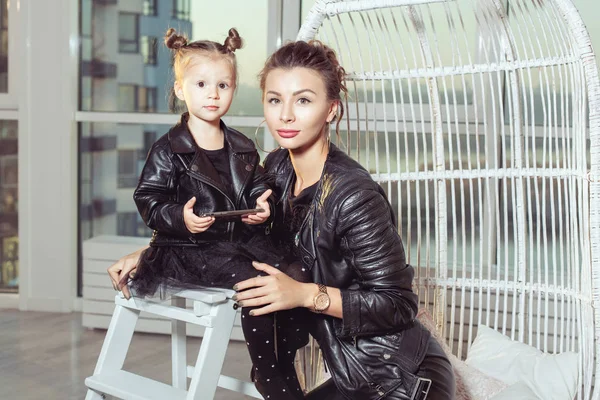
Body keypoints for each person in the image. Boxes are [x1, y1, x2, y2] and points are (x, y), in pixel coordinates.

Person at [109, 40, 455, 399]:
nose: (285, 115)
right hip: (354, 377)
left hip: (403, 379)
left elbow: (398, 305)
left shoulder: (353, 196)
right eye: (275, 100)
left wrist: (304, 295)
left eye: (303, 100)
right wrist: (159, 250)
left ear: (331, 109)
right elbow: (234, 227)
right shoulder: (274, 168)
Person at [121, 28, 310, 400]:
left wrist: (262, 207)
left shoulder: (241, 145)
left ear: (233, 91)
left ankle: (283, 359)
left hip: (237, 240)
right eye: (202, 84)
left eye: (223, 85)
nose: (213, 94)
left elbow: (257, 185)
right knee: (253, 283)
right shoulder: (168, 149)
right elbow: (148, 198)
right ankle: (269, 374)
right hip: (190, 248)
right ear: (180, 91)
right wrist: (180, 216)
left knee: (297, 272)